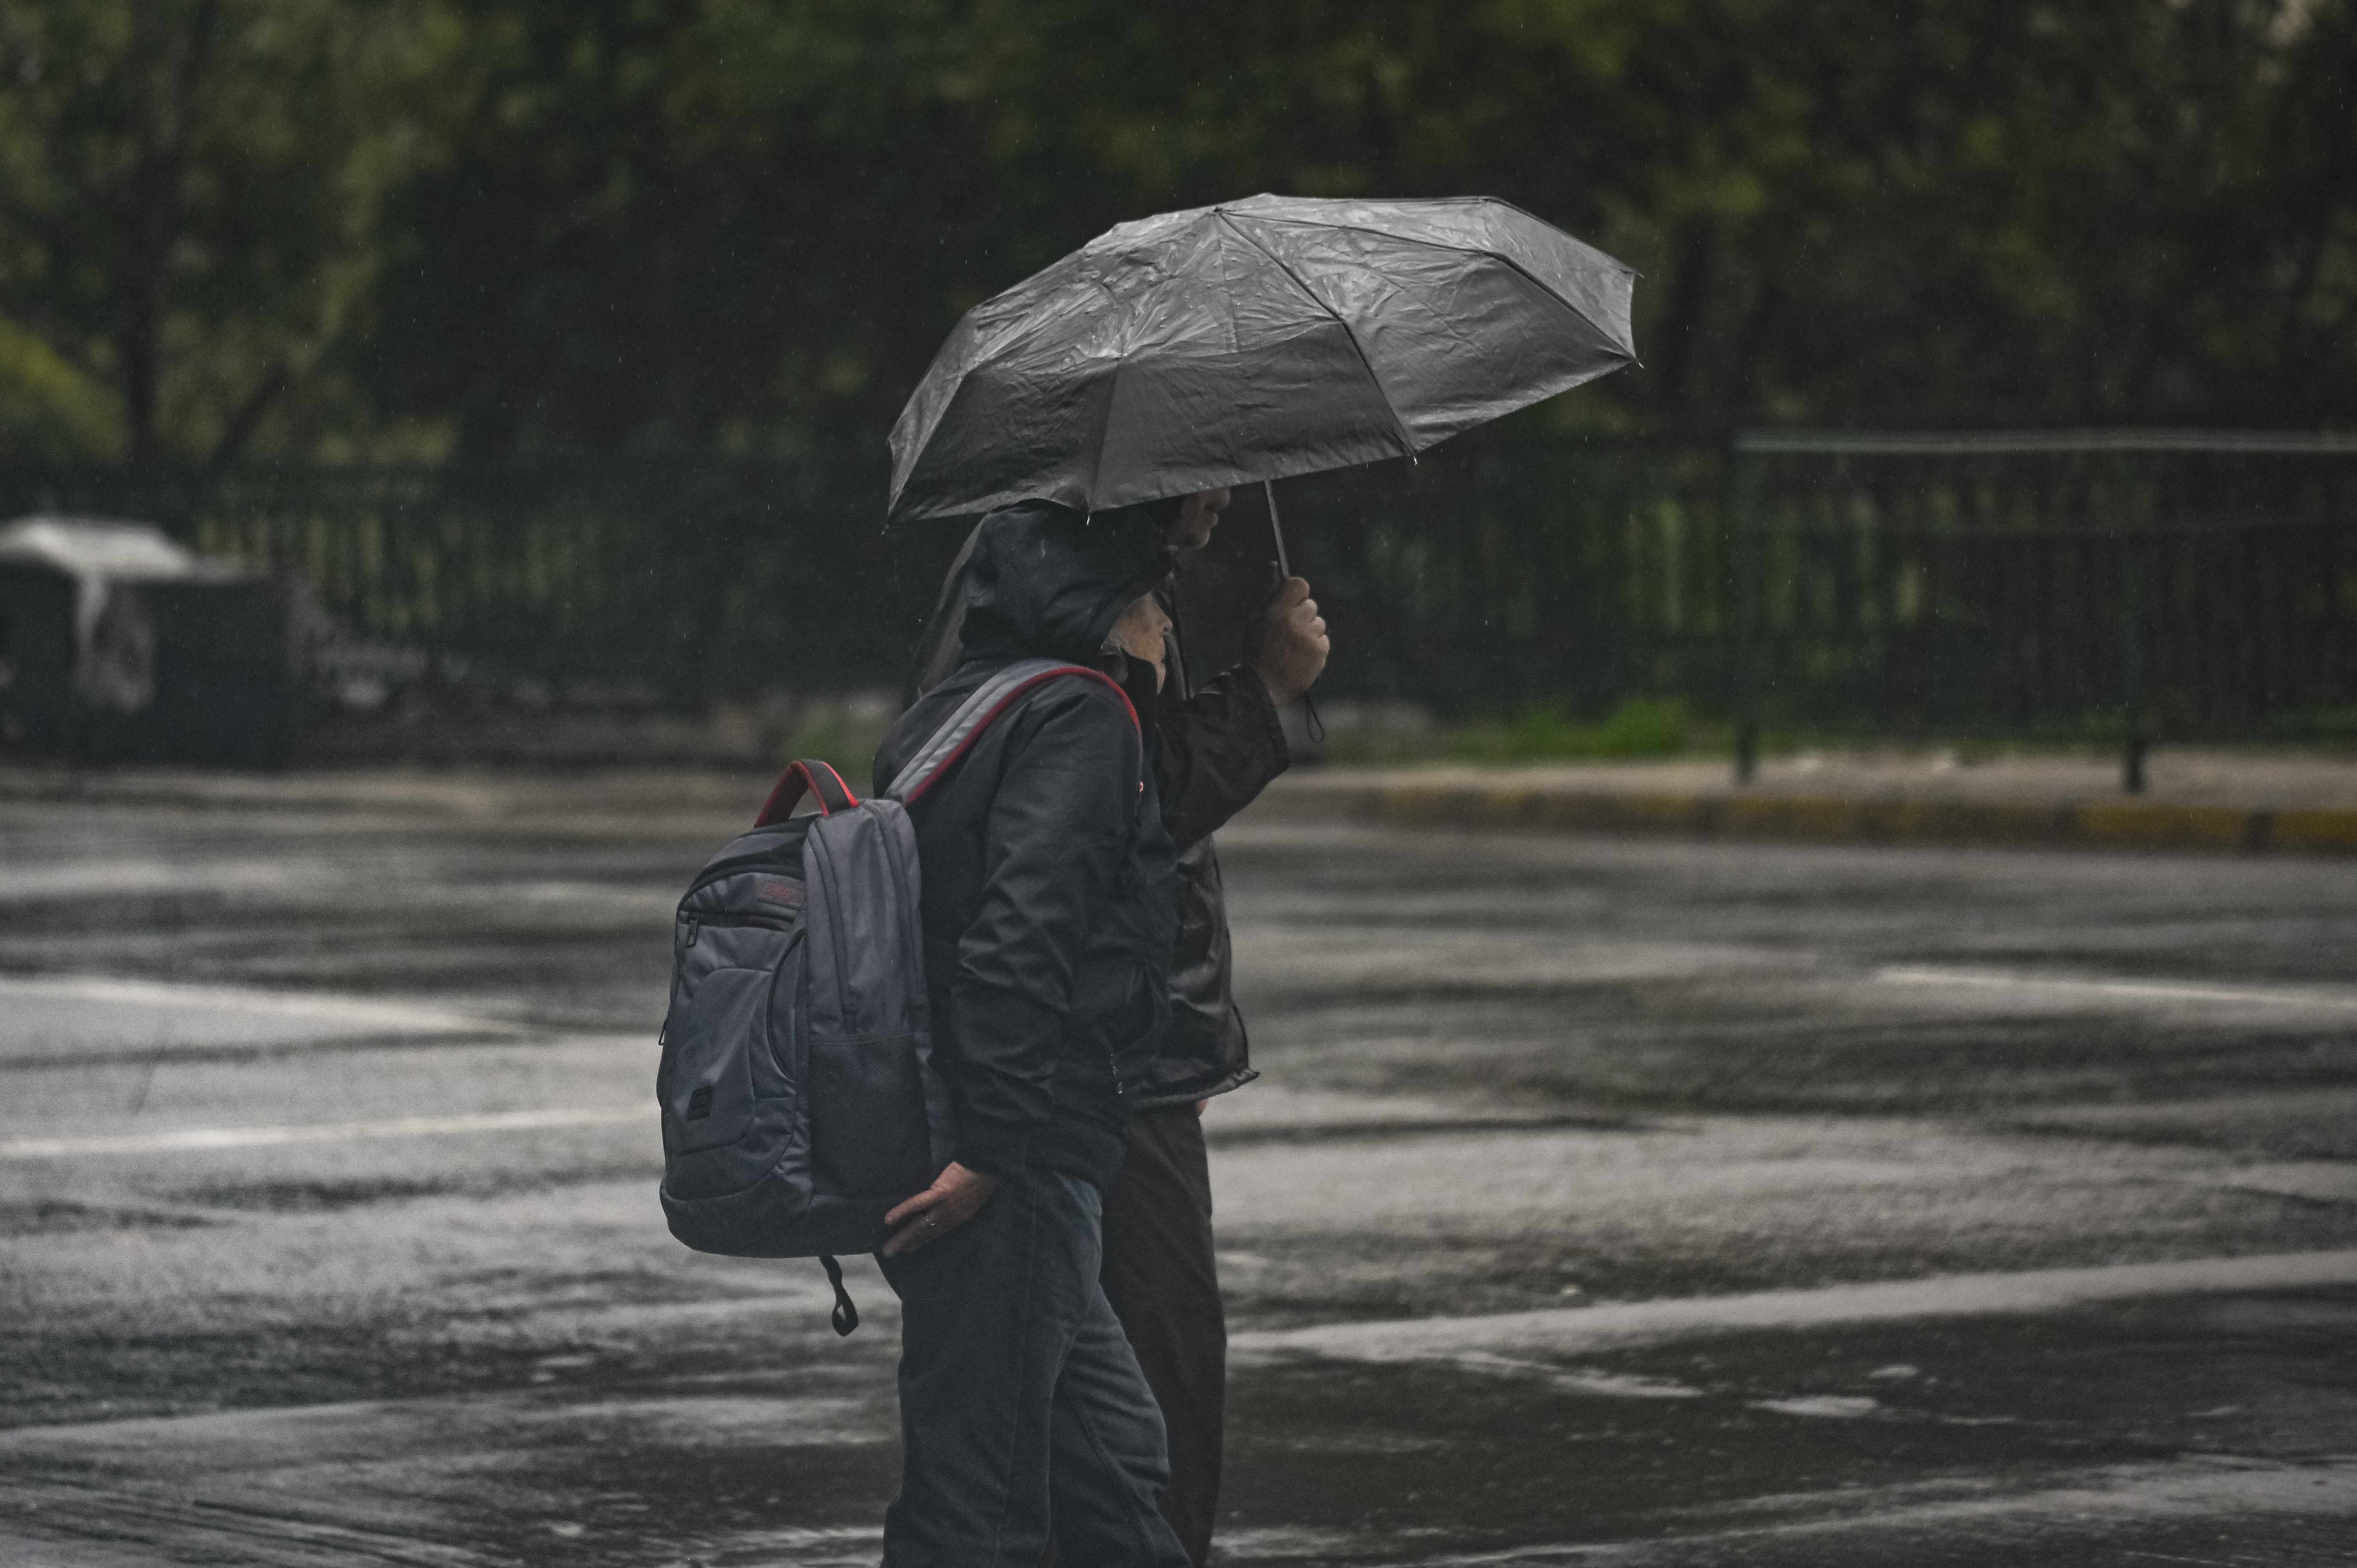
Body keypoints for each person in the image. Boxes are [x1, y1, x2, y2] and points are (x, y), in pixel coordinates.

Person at [904, 487, 1331, 1566]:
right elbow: (1056, 879)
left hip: (1077, 1082)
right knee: (1043, 1457)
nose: (1226, 493)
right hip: (1084, 1084)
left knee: (1111, 1441)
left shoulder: (1063, 588)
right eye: (1207, 467)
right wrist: (1269, 692)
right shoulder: (1068, 629)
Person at [868, 501, 1193, 1568]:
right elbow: (1021, 935)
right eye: (1157, 595)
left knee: (1115, 1467)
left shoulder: (959, 708)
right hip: (1018, 1160)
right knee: (978, 1509)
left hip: (986, 1139)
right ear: (1115, 602)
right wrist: (993, 1154)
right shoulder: (1083, 718)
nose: (1169, 622)